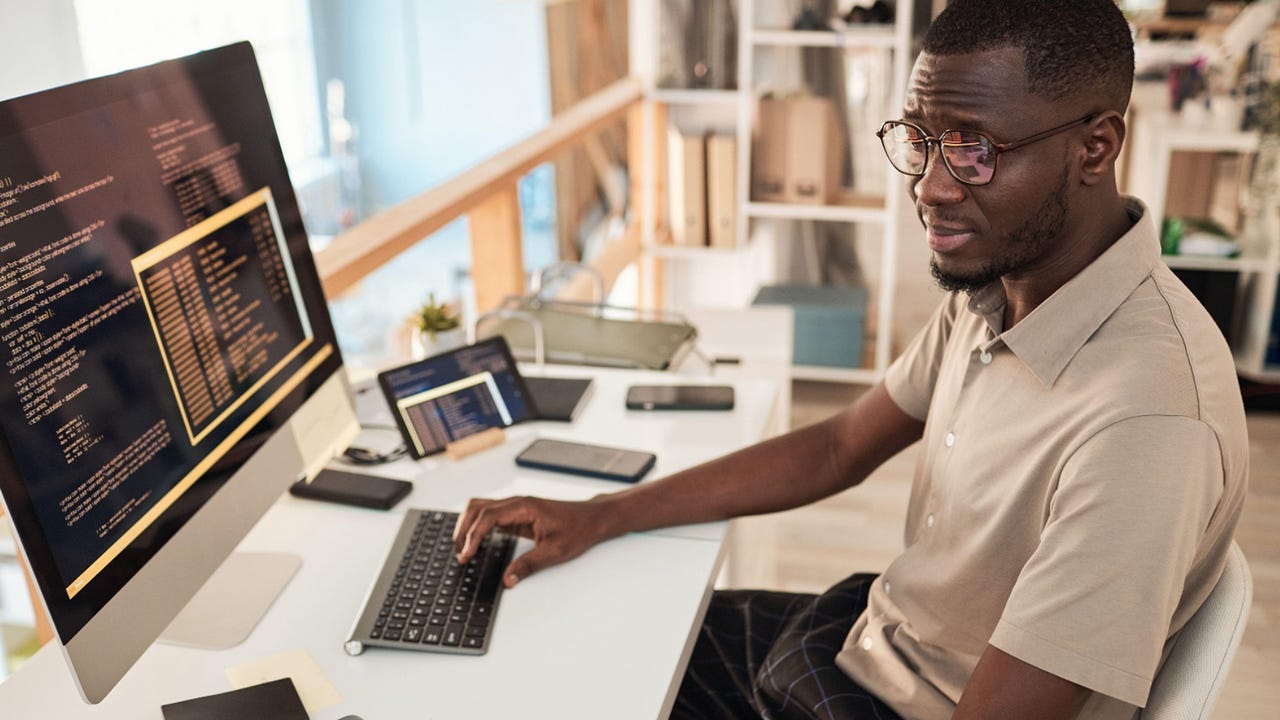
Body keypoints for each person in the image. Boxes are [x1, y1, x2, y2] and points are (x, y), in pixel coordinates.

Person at [453, 1, 1248, 717]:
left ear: (1095, 148)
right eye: (921, 139)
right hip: (871, 645)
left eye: (973, 149)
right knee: (595, 623)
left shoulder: (1149, 421)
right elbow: (839, 446)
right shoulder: (1005, 286)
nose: (930, 188)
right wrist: (603, 515)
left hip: (903, 701)